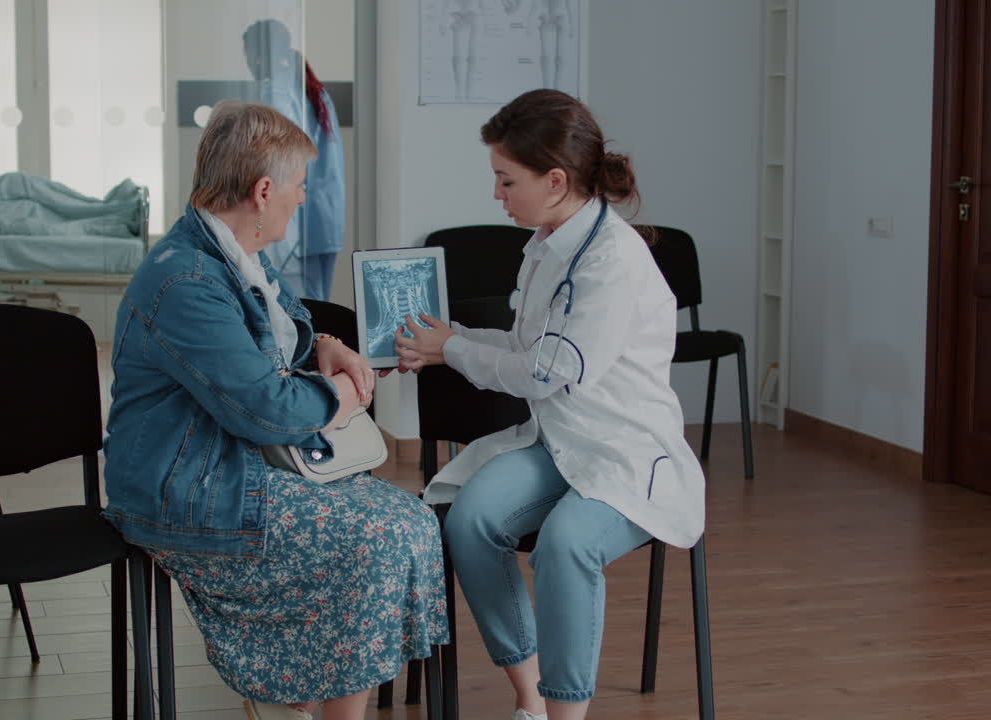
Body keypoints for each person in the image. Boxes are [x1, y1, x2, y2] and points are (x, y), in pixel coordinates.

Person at [102, 101, 447, 720]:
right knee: (379, 537)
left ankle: (305, 703)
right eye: (299, 187)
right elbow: (263, 409)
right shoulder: (186, 281)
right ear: (264, 191)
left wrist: (326, 344)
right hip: (189, 487)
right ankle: (301, 700)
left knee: (413, 524)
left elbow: (283, 325)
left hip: (239, 464)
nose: (303, 199)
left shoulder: (237, 252)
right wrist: (343, 396)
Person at [396, 89, 706, 720]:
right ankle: (530, 696)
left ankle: (566, 715)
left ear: (556, 180)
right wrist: (444, 340)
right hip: (561, 443)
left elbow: (547, 371)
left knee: (565, 543)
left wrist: (453, 347)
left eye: (506, 181)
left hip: (625, 455)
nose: (497, 195)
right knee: (471, 520)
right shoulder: (548, 243)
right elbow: (522, 344)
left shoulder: (613, 259)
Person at [242, 18, 345, 302]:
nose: (248, 64)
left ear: (261, 54)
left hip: (297, 224)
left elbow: (278, 161)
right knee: (317, 304)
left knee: (296, 310)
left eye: (248, 55)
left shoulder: (276, 91)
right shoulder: (313, 89)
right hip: (324, 218)